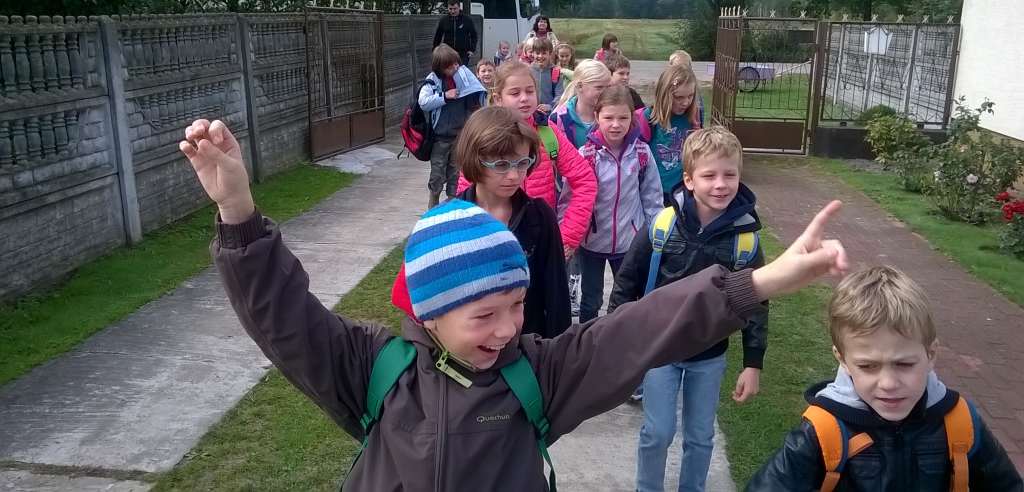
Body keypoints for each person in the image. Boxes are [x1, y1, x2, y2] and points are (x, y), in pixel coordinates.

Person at [181, 116, 851, 492]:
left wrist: (756, 283)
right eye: (484, 314)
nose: (508, 329)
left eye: (517, 305)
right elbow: (285, 319)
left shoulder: (539, 375)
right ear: (430, 310)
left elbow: (638, 328)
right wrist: (237, 210)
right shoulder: (374, 372)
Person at [745, 266, 1023, 492]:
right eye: (868, 366)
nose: (888, 383)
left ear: (931, 355)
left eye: (904, 364)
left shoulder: (959, 423)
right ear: (842, 359)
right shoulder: (824, 430)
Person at [608, 127, 769, 492]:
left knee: (700, 435)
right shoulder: (661, 226)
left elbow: (757, 304)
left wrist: (753, 364)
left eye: (729, 175)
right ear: (689, 180)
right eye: (709, 175)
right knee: (657, 431)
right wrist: (617, 341)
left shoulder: (745, 241)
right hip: (661, 350)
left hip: (709, 355)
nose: (720, 185)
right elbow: (627, 283)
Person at [457, 60, 596, 262]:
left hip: (539, 241)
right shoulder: (483, 135)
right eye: (515, 93)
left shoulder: (548, 134)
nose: (524, 98)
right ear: (498, 98)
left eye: (530, 91)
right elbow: (466, 192)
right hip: (490, 243)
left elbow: (585, 180)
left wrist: (568, 236)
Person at [452, 106, 571, 338]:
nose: (514, 176)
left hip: (527, 345)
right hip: (469, 346)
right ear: (474, 160)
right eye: (501, 165)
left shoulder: (540, 217)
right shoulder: (450, 221)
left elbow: (556, 294)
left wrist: (559, 350)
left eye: (522, 163)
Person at [568, 85, 662, 323]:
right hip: (592, 242)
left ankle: (621, 338)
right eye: (608, 118)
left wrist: (655, 234)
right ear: (597, 116)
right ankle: (588, 339)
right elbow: (571, 198)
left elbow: (652, 196)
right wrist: (570, 235)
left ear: (632, 118)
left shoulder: (641, 153)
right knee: (591, 299)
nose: (615, 125)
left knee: (626, 298)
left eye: (623, 118)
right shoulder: (586, 155)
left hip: (630, 242)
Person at [419, 44, 486, 208]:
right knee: (437, 173)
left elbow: (472, 104)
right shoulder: (433, 81)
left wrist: (476, 96)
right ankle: (433, 203)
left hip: (459, 137)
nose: (455, 68)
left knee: (456, 173)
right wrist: (444, 96)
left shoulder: (464, 78)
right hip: (439, 138)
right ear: (440, 68)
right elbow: (423, 102)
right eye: (450, 67)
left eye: (456, 64)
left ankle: (452, 204)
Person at [637, 64, 702, 206]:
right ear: (664, 94)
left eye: (690, 96)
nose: (685, 102)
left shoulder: (693, 117)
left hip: (686, 189)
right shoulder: (649, 118)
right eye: (678, 97)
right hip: (656, 191)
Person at [549, 59, 611, 150]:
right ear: (580, 86)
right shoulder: (559, 119)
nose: (605, 92)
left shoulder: (612, 117)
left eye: (608, 87)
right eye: (599, 87)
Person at [432, 0, 478, 66]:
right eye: (450, 9)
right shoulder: (444, 20)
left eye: (455, 8)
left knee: (461, 71)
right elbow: (438, 36)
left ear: (459, 8)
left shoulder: (467, 20)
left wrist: (472, 50)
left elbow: (474, 35)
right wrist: (435, 50)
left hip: (463, 54)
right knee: (448, 70)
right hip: (448, 53)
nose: (452, 11)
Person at [667, 48, 705, 127]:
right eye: (677, 67)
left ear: (690, 68)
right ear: (670, 67)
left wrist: (699, 125)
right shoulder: (666, 85)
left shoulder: (693, 89)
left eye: (685, 67)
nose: (681, 71)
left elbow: (700, 110)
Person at [530, 38, 566, 108]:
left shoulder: (555, 71)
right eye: (537, 53)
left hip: (548, 111)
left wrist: (550, 106)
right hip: (531, 109)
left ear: (550, 53)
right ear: (533, 53)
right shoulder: (528, 70)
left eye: (544, 53)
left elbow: (560, 94)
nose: (540, 56)